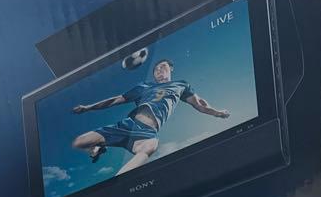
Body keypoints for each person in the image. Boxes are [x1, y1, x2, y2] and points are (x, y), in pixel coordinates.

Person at [70, 58, 230, 175]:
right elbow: (115, 100)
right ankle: (98, 147)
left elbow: (199, 104)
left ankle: (118, 185)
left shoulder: (181, 85)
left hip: (146, 133)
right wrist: (87, 108)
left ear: (171, 68)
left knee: (151, 145)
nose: (159, 70)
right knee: (79, 143)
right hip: (126, 125)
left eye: (162, 67)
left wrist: (217, 113)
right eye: (156, 69)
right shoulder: (144, 86)